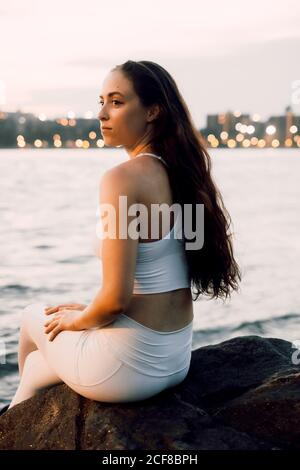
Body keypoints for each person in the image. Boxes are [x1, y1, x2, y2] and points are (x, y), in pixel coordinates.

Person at [3, 60, 241, 413]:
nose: (102, 114)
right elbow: (156, 282)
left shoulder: (123, 179)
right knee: (39, 368)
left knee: (29, 316)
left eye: (116, 102)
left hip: (131, 368)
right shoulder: (182, 172)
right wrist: (90, 311)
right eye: (101, 101)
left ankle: (31, 424)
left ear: (152, 112)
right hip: (175, 358)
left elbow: (114, 300)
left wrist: (79, 320)